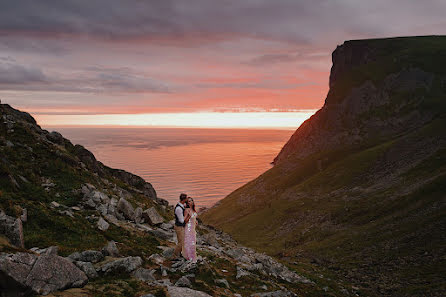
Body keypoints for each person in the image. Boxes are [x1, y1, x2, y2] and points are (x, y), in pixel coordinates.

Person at [183, 196, 198, 262]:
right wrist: (189, 216)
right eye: (188, 201)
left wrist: (195, 221)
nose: (190, 202)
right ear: (187, 203)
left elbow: (194, 217)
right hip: (188, 228)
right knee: (189, 242)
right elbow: (184, 220)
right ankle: (189, 257)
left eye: (191, 200)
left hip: (193, 229)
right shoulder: (187, 210)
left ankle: (193, 257)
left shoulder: (193, 210)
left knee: (193, 243)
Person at [174, 193, 188, 258]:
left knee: (183, 241)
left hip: (181, 227)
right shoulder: (179, 209)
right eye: (186, 198)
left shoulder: (181, 206)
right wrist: (186, 215)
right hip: (179, 227)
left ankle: (180, 254)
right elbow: (181, 220)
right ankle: (175, 255)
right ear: (184, 199)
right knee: (181, 242)